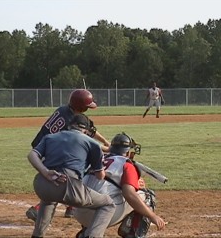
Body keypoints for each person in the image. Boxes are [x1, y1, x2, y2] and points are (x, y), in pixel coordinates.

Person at [26, 89, 111, 221]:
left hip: (43, 147)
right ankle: (39, 210)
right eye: (87, 107)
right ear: (82, 107)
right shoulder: (71, 120)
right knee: (63, 177)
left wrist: (106, 141)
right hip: (47, 151)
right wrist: (107, 148)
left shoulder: (64, 110)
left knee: (64, 176)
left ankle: (70, 208)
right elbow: (85, 142)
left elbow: (90, 131)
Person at [27, 113, 115, 238]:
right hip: (70, 187)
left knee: (48, 200)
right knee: (108, 204)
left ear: (70, 125)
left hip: (42, 184)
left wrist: (45, 172)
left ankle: (37, 235)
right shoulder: (92, 143)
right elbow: (100, 175)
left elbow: (32, 155)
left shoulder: (50, 137)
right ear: (86, 129)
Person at [74, 132, 166, 238]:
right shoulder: (126, 164)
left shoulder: (97, 158)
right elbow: (129, 195)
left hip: (78, 211)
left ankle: (86, 232)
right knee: (148, 196)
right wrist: (152, 216)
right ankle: (132, 234)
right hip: (102, 214)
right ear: (127, 152)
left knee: (99, 190)